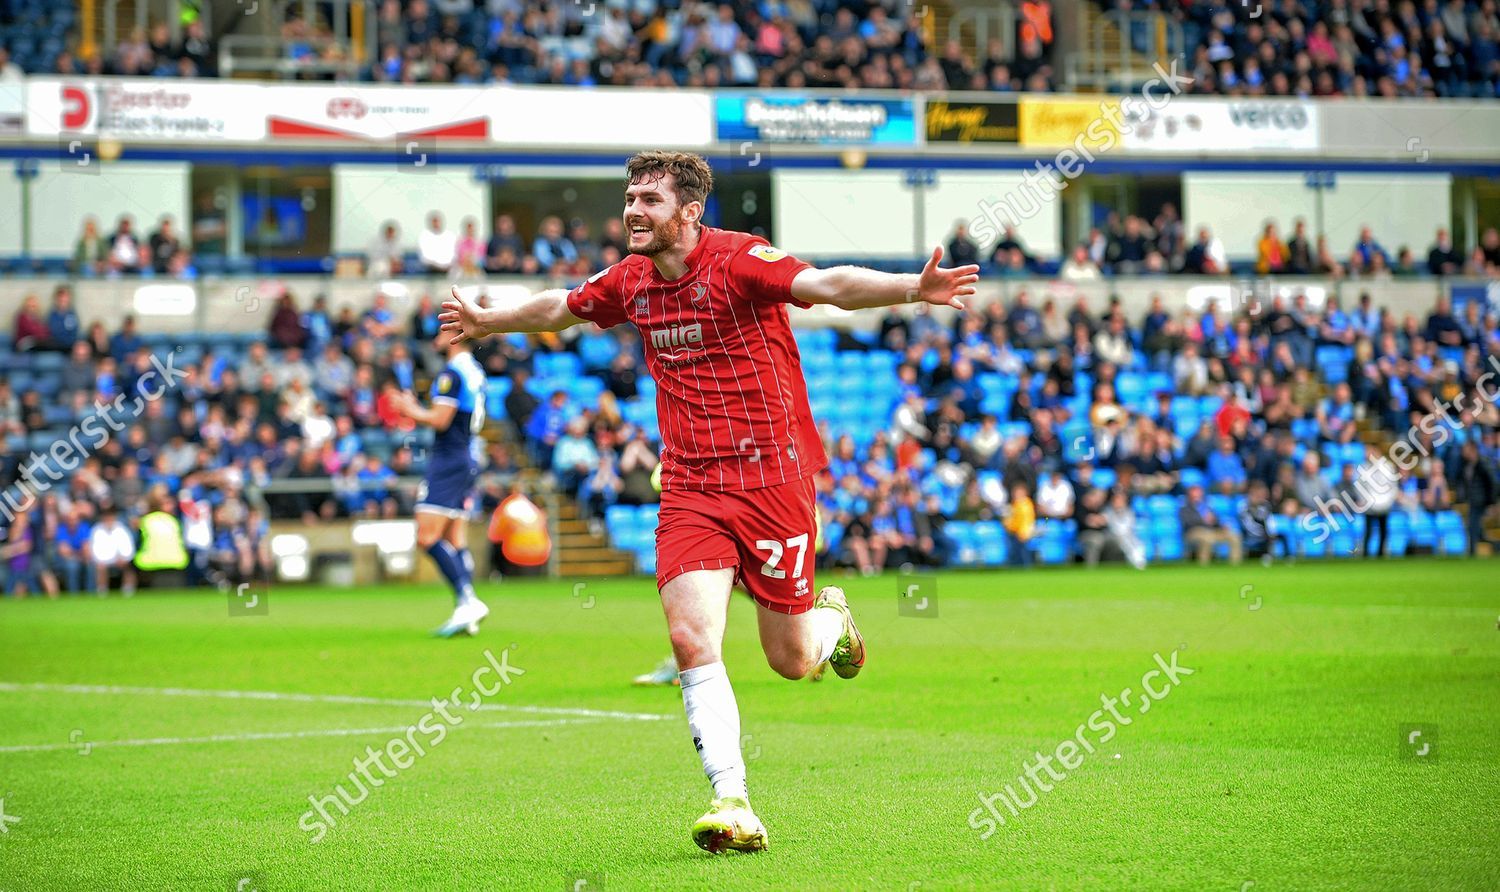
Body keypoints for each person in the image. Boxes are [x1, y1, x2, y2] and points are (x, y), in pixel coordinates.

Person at [439, 150, 978, 854]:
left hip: (772, 482)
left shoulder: (739, 260)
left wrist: (914, 287)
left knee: (788, 659)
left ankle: (831, 618)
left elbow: (829, 285)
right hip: (691, 487)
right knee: (691, 637)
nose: (634, 209)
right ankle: (732, 799)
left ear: (689, 212)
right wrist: (490, 321)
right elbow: (563, 308)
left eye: (650, 200)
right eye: (630, 196)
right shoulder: (631, 280)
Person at [389, 333, 489, 637]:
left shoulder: (452, 372)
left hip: (448, 460)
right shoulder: (475, 370)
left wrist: (409, 411)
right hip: (468, 456)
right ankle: (466, 611)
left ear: (456, 336)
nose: (436, 335)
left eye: (443, 329)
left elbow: (441, 419)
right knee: (454, 537)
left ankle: (467, 601)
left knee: (426, 536)